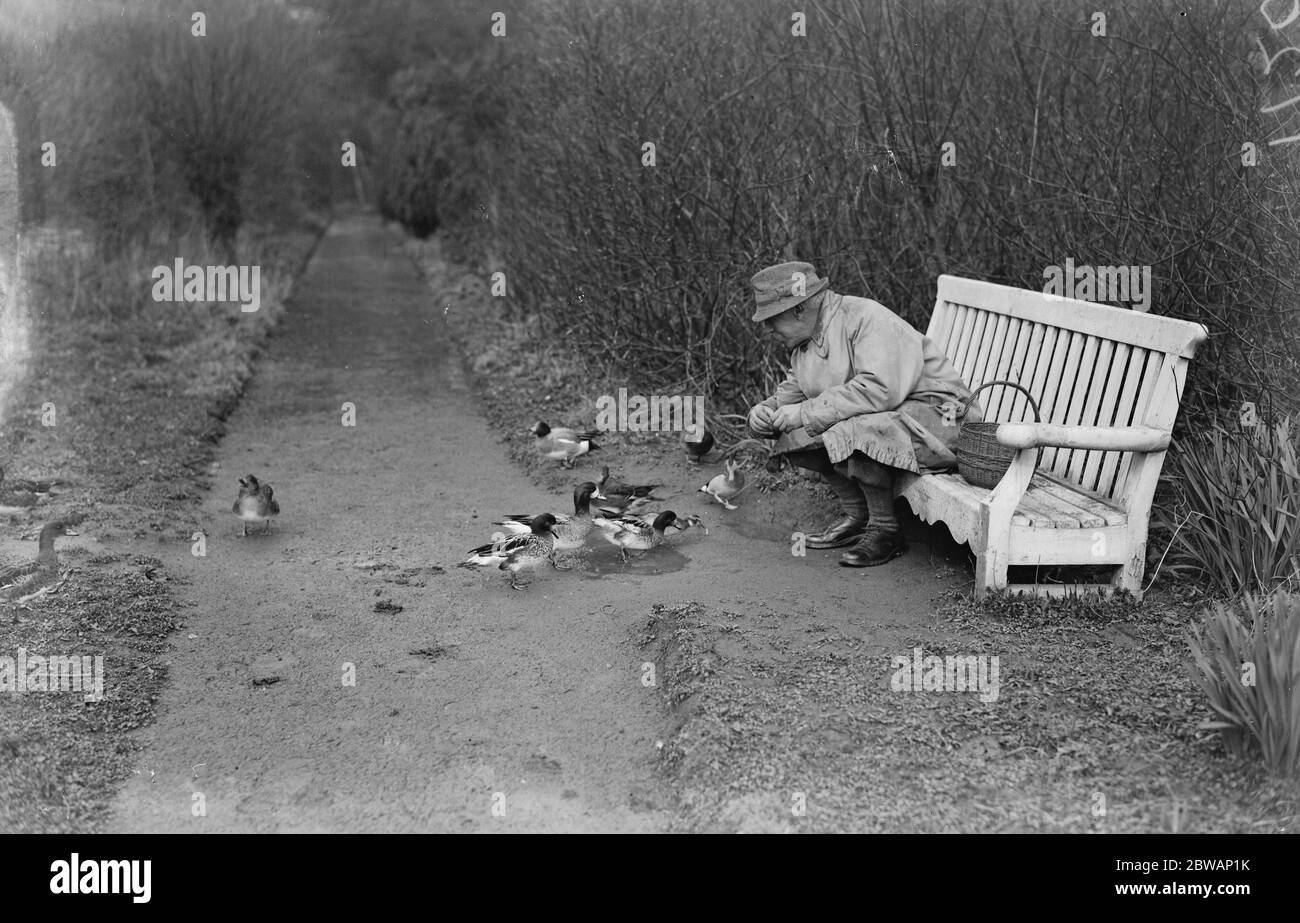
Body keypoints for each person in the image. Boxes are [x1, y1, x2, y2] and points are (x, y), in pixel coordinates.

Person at [747, 261, 982, 567]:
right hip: (894, 418)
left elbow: (879, 389)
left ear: (798, 310)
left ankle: (885, 529)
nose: (767, 328)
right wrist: (764, 412)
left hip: (943, 418)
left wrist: (804, 412)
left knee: (845, 426)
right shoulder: (804, 345)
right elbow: (793, 394)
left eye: (771, 319)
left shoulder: (865, 317)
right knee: (799, 429)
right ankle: (857, 516)